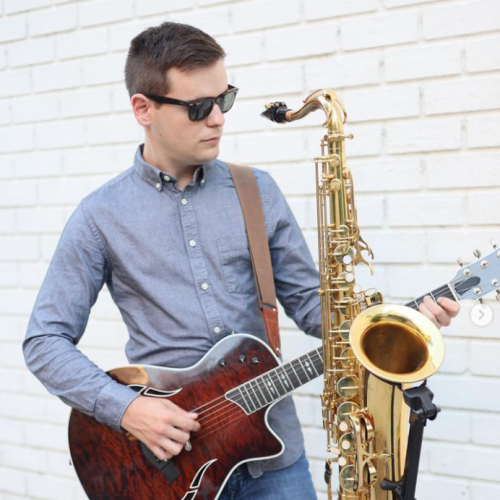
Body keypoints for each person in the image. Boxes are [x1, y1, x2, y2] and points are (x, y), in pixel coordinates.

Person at [23, 22, 460, 500]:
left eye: (223, 100)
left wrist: (396, 323)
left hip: (273, 462)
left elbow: (317, 311)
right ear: (143, 109)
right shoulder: (99, 217)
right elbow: (45, 340)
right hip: (163, 465)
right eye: (198, 108)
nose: (218, 119)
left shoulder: (258, 192)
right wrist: (126, 409)